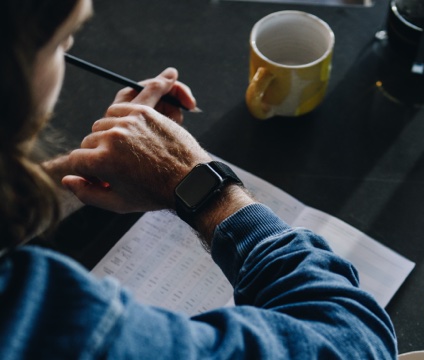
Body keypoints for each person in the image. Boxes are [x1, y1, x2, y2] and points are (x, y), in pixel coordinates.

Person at [0, 0, 398, 358]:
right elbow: (352, 340)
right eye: (58, 43)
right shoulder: (41, 320)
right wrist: (204, 189)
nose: (69, 49)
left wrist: (82, 168)